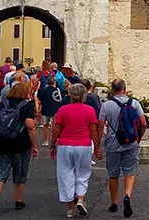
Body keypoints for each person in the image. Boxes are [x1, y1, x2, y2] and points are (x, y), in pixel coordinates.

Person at [0, 81, 38, 214]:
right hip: (20, 144)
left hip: (0, 143)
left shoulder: (3, 104)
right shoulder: (26, 106)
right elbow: (30, 126)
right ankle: (18, 200)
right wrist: (34, 145)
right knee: (20, 172)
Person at [52, 83, 101, 217]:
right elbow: (93, 131)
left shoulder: (63, 110)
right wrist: (97, 147)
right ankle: (80, 197)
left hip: (65, 144)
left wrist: (52, 145)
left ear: (70, 95)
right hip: (83, 144)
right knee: (83, 173)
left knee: (65, 173)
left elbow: (56, 130)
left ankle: (70, 208)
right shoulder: (90, 110)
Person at [98, 79, 145, 217]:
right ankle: (127, 196)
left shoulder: (106, 105)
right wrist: (138, 138)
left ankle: (114, 203)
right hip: (130, 142)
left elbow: (100, 126)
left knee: (113, 174)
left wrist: (97, 145)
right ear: (125, 89)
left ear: (112, 90)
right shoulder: (134, 103)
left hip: (113, 143)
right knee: (130, 171)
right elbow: (143, 124)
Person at [37, 76, 62, 147]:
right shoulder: (57, 90)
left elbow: (39, 98)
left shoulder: (43, 90)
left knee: (45, 125)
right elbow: (60, 99)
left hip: (45, 109)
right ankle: (53, 139)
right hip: (55, 109)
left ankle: (46, 141)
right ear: (54, 82)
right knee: (55, 125)